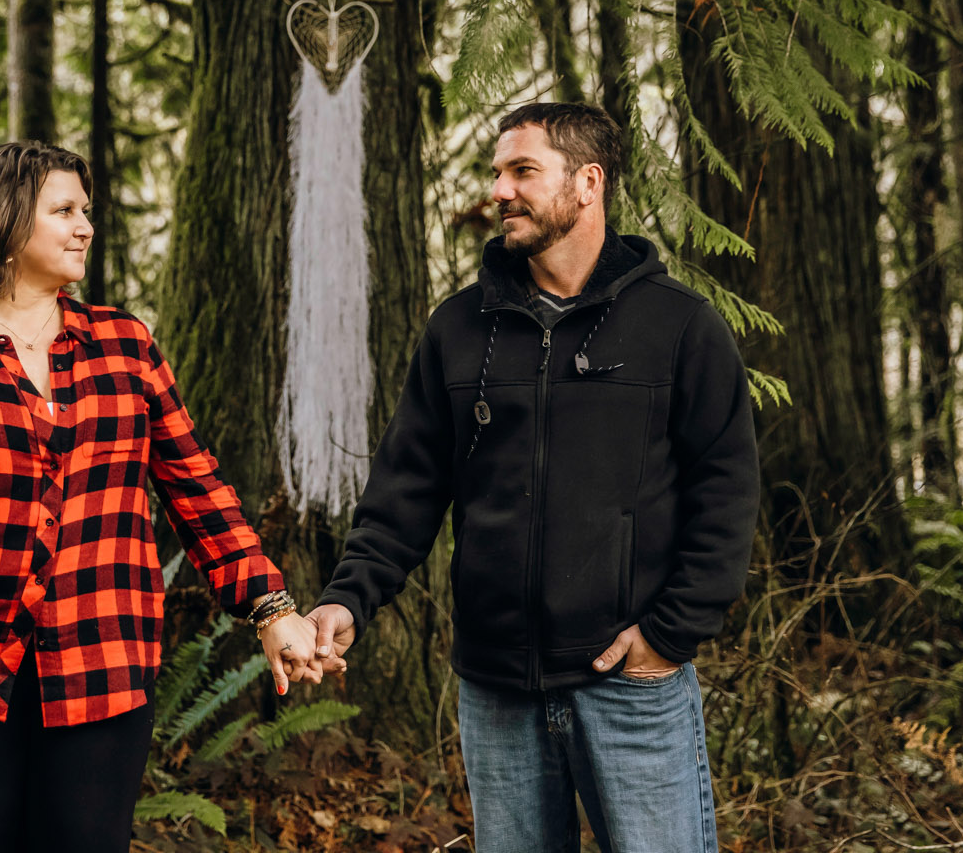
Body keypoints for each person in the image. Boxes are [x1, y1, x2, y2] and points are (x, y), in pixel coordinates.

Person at [307, 102, 759, 853]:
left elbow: (727, 492)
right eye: (495, 172)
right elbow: (406, 492)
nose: (500, 191)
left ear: (588, 183)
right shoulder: (458, 330)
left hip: (629, 685)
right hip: (498, 693)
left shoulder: (679, 327)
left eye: (522, 171)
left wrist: (670, 636)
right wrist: (349, 598)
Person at [0, 141, 320, 853]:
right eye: (64, 210)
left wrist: (270, 606)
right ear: (7, 221)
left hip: (103, 664)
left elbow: (195, 487)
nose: (85, 227)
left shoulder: (124, 346)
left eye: (87, 211)